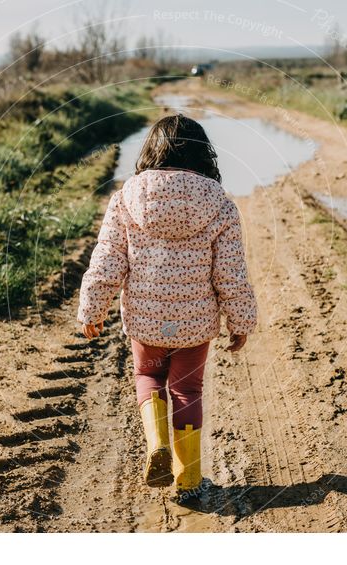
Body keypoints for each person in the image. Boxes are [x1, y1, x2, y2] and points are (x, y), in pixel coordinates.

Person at [77, 113, 257, 501]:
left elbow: (108, 258)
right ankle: (189, 480)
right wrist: (240, 320)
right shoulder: (220, 205)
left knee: (148, 377)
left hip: (145, 320)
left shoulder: (126, 198)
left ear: (151, 152)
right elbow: (231, 273)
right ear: (201, 154)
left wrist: (92, 307)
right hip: (195, 325)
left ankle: (157, 443)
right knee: (187, 391)